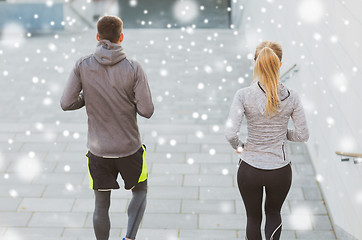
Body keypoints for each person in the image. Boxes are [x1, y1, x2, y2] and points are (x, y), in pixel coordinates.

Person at [60, 15, 154, 240]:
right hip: (130, 150)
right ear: (121, 37)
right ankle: (129, 238)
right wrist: (128, 97)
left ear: (97, 36)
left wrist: (87, 96)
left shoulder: (83, 65)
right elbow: (147, 110)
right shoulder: (133, 67)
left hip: (98, 151)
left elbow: (66, 103)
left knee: (101, 204)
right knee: (140, 192)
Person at [225, 40, 309, 240]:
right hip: (280, 171)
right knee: (273, 213)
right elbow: (303, 134)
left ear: (256, 63)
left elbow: (230, 133)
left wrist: (239, 148)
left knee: (253, 219)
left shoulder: (243, 95)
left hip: (249, 169)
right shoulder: (293, 97)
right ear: (280, 64)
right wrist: (281, 134)